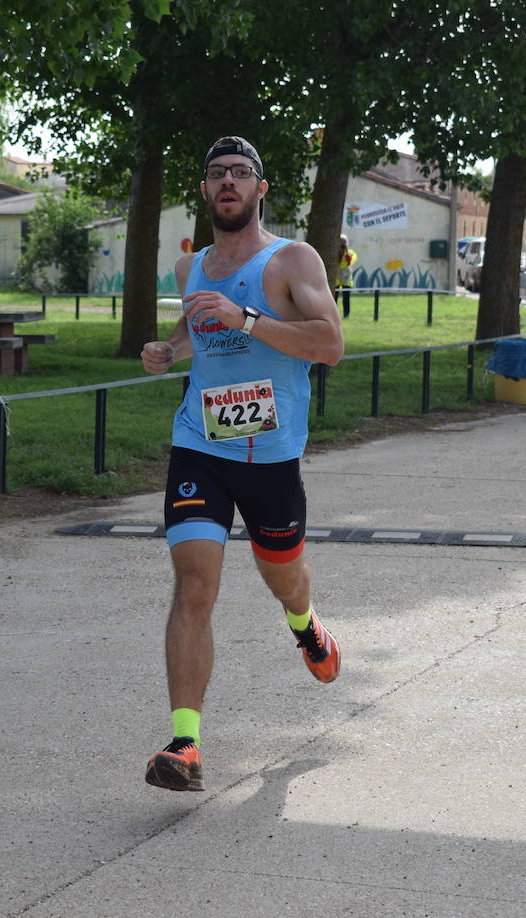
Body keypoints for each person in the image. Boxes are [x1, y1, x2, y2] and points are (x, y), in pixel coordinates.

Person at [139, 136, 345, 793]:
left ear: (260, 189)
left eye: (241, 173)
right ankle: (185, 744)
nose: (227, 181)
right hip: (201, 443)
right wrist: (169, 349)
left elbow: (330, 344)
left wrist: (248, 317)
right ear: (205, 190)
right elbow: (192, 323)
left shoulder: (291, 260)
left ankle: (305, 625)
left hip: (271, 459)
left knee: (282, 578)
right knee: (194, 586)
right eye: (216, 172)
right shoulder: (189, 268)